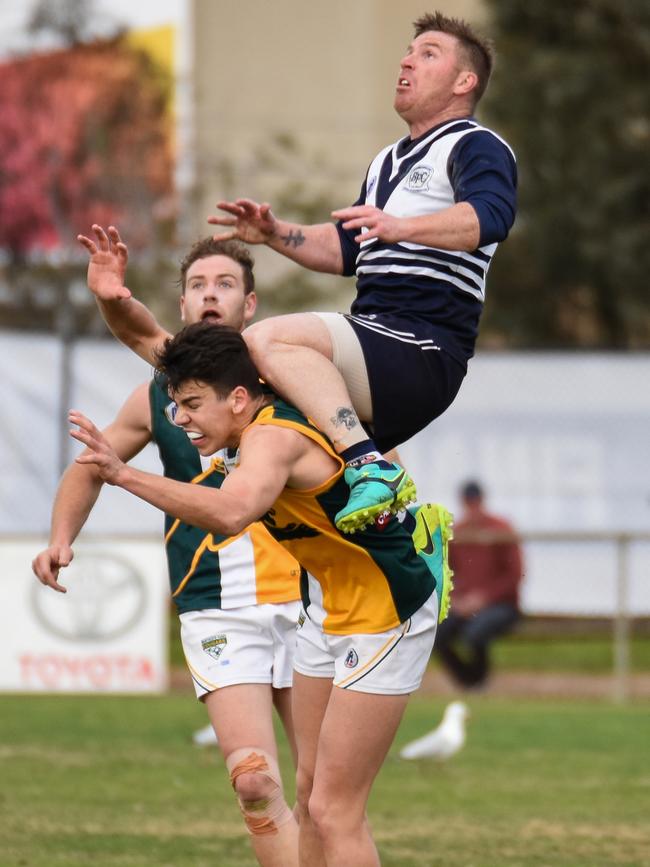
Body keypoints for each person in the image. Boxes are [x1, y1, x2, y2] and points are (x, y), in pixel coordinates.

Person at [66, 320, 454, 867]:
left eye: (193, 405)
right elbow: (164, 350)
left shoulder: (272, 436)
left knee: (335, 811)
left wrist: (121, 475)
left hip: (385, 609)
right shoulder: (243, 420)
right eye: (176, 406)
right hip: (327, 606)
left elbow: (230, 513)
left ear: (240, 397)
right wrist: (112, 302)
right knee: (308, 793)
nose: (182, 421)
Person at [32, 231, 302, 867]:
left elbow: (369, 449)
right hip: (214, 605)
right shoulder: (159, 395)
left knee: (323, 795)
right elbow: (93, 463)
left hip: (310, 597)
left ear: (251, 303)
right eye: (199, 286)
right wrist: (60, 538)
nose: (211, 295)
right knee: (256, 785)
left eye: (225, 284)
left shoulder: (287, 374)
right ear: (183, 306)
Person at [206, 11, 517, 534]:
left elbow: (490, 218)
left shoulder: (474, 145)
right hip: (376, 338)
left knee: (265, 339)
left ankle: (370, 464)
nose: (406, 60)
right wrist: (276, 233)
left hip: (423, 345)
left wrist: (401, 226)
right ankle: (413, 534)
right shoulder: (386, 161)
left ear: (465, 82)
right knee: (276, 427)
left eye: (428, 53)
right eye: (409, 50)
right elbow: (347, 249)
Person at [434, 480, 523, 688]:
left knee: (475, 632)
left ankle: (478, 682)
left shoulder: (501, 529)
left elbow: (513, 576)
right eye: (468, 502)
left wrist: (483, 598)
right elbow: (447, 573)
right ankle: (468, 681)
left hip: (501, 605)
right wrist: (456, 599)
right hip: (464, 605)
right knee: (437, 633)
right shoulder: (457, 532)